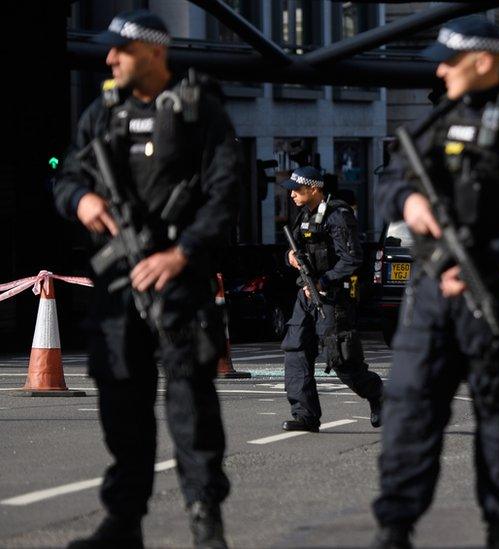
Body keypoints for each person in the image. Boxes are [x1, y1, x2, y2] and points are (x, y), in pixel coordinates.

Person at [371, 16, 499, 549]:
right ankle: (395, 527)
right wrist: (408, 200)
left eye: (449, 60)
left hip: (492, 297)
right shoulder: (439, 121)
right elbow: (391, 183)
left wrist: (480, 258)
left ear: (483, 62)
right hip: (433, 296)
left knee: (498, 419)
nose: (439, 68)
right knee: (409, 409)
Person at [52, 10, 238, 549]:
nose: (109, 59)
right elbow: (66, 175)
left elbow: (224, 197)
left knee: (191, 409)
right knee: (120, 407)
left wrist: (181, 254)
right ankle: (124, 522)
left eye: (121, 51)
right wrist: (80, 198)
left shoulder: (200, 112)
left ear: (156, 52)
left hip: (178, 285)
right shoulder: (101, 113)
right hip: (117, 287)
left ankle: (206, 523)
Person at [280, 167, 383, 431]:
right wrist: (290, 258)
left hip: (332, 298)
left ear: (314, 188)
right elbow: (298, 249)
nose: (291, 194)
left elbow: (352, 259)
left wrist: (322, 282)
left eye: (296, 189)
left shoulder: (338, 215)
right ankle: (305, 415)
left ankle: (378, 395)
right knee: (296, 351)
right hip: (306, 293)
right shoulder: (305, 213)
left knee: (342, 360)